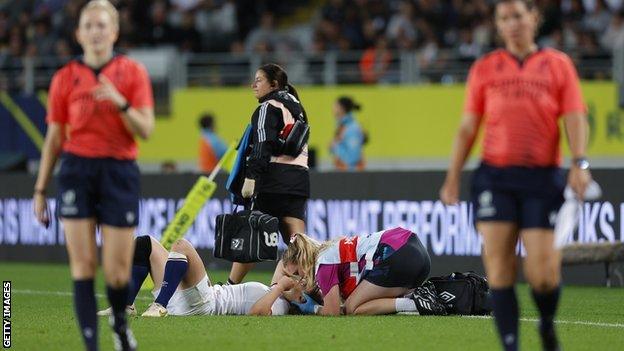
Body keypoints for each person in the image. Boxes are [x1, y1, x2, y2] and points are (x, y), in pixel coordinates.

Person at [439, 1, 592, 350]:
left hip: (542, 178)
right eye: (505, 18)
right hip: (495, 178)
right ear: (498, 26)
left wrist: (580, 162)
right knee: (500, 268)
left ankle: (547, 325)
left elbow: (574, 116)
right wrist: (452, 177)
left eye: (519, 16)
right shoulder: (486, 68)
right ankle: (511, 345)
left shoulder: (558, 65)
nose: (513, 24)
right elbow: (467, 128)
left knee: (543, 275)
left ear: (533, 19)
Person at [32, 1, 154, 350]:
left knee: (117, 271)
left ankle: (118, 325)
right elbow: (54, 138)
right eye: (89, 25)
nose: (96, 31)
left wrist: (120, 102)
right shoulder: (64, 78)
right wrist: (40, 189)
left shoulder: (132, 73)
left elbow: (145, 129)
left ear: (114, 32)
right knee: (83, 266)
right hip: (76, 171)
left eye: (102, 25)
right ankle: (91, 344)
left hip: (118, 171)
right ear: (79, 33)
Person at [228, 63, 310, 285]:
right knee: (299, 243)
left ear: (274, 84)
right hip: (298, 181)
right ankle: (314, 288)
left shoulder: (267, 107)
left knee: (253, 235)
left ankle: (229, 286)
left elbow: (263, 145)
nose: (253, 84)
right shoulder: (298, 108)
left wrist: (251, 177)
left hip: (272, 180)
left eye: (259, 80)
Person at [97, 236, 293, 317]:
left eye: (297, 277)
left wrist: (280, 288)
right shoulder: (275, 291)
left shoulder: (281, 303)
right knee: (144, 243)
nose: (290, 275)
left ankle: (160, 306)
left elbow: (258, 312)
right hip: (185, 299)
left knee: (181, 245)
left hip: (203, 303)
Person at [280, 227, 436, 316]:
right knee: (362, 302)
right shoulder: (328, 252)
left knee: (353, 308)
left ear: (302, 259)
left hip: (397, 255)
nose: (299, 279)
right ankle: (420, 296)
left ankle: (413, 304)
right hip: (416, 251)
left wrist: (310, 308)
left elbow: (333, 312)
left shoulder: (323, 263)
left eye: (297, 273)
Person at [330, 96, 366, 171]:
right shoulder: (341, 126)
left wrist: (334, 146)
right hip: (343, 173)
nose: (333, 109)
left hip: (351, 175)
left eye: (336, 106)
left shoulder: (352, 128)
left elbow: (354, 155)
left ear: (342, 109)